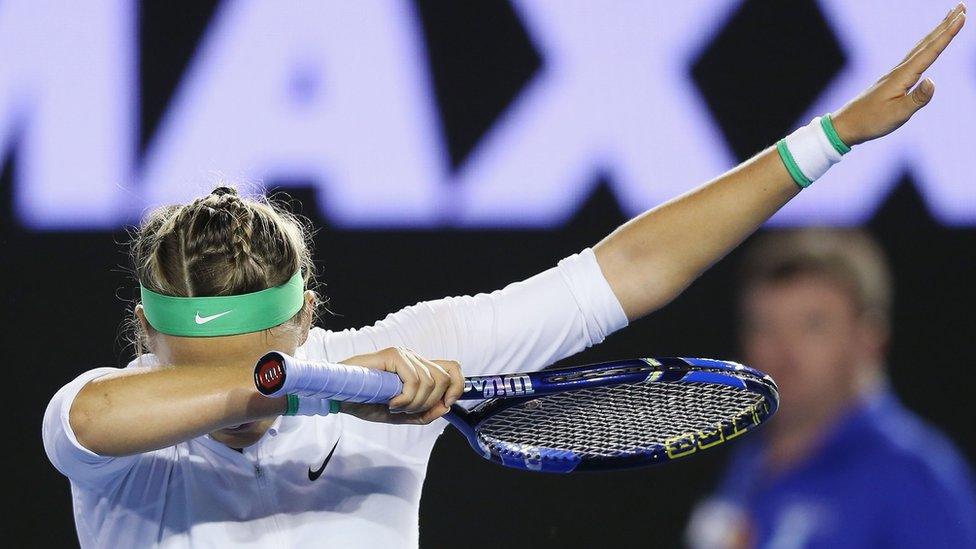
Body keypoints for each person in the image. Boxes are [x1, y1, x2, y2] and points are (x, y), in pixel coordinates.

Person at [42, 5, 968, 548]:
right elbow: (89, 419)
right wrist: (316, 390)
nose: (241, 396)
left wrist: (831, 138)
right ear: (145, 336)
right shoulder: (113, 423)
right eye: (202, 367)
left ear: (308, 315)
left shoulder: (415, 363)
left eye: (269, 357)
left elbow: (624, 271)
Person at [685, 229, 976, 548]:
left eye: (813, 326)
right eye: (764, 327)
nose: (783, 352)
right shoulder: (747, 458)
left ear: (869, 338)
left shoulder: (914, 475)